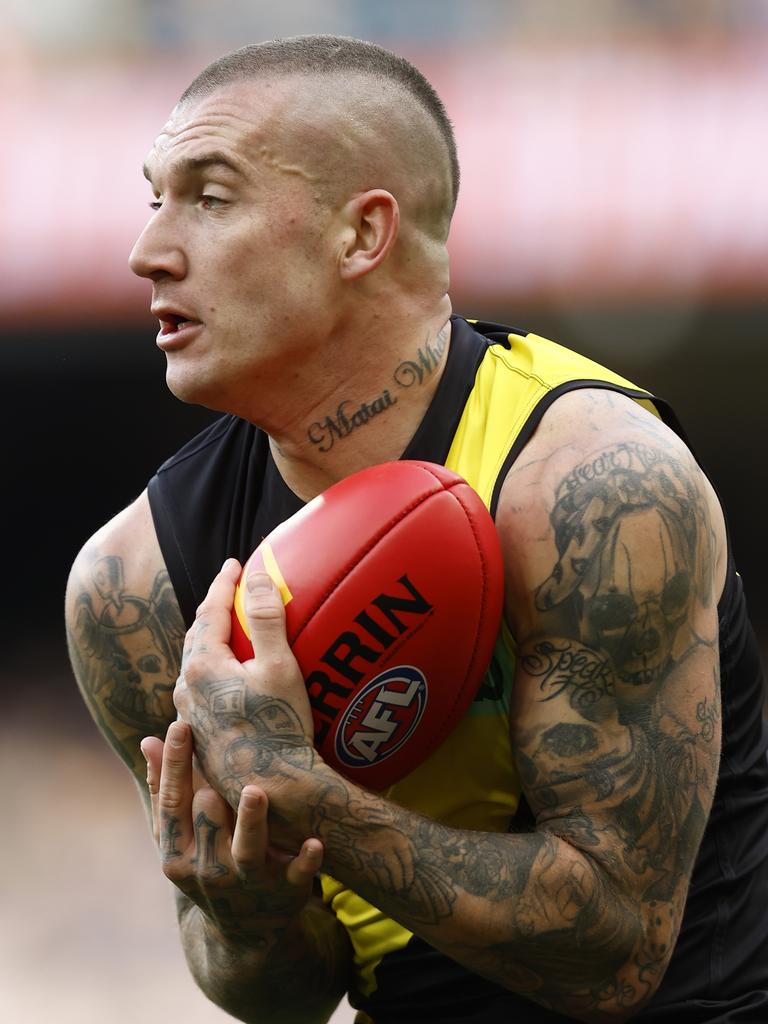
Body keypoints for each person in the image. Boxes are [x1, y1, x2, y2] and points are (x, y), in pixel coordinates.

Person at [65, 34, 768, 1024]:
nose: (149, 251)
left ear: (362, 235)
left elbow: (616, 953)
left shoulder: (596, 488)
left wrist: (301, 796)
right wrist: (250, 910)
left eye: (210, 199)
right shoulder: (133, 584)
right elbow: (284, 997)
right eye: (155, 200)